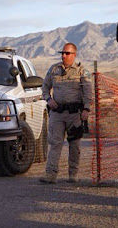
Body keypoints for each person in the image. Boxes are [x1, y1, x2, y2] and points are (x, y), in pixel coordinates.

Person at [39, 43, 92, 184]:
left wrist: (86, 109)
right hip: (57, 113)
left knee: (74, 145)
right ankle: (50, 174)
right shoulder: (54, 69)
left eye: (67, 53)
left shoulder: (81, 71)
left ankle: (73, 174)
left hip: (75, 114)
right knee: (55, 143)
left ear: (74, 55)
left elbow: (88, 91)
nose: (63, 55)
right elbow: (45, 86)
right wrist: (48, 99)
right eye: (62, 53)